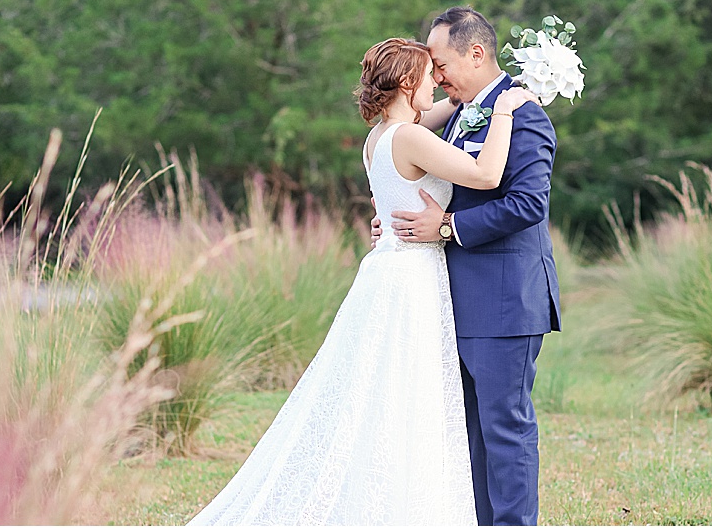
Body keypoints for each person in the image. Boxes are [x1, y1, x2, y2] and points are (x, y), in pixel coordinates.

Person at [187, 37, 537, 525]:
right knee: (409, 392)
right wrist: (506, 108)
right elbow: (484, 173)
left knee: (385, 389)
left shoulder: (381, 137)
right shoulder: (410, 138)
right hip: (411, 275)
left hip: (389, 271)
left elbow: (449, 112)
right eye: (428, 75)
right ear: (405, 83)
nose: (437, 82)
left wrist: (480, 95)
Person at [371, 6, 561, 526]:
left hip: (504, 299)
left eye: (440, 62)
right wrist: (394, 222)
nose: (436, 75)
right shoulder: (455, 114)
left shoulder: (524, 113)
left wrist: (447, 227)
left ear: (476, 54)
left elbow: (528, 204)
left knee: (504, 427)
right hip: (447, 298)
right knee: (466, 431)